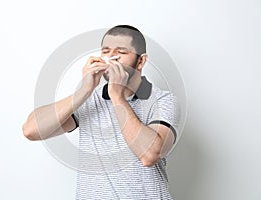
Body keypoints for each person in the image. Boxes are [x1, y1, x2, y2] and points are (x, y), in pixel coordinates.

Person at [22, 25, 179, 199]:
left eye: (121, 52)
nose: (112, 58)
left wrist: (116, 96)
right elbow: (31, 131)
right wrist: (83, 92)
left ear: (141, 61)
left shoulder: (162, 100)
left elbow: (150, 155)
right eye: (106, 51)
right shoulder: (89, 99)